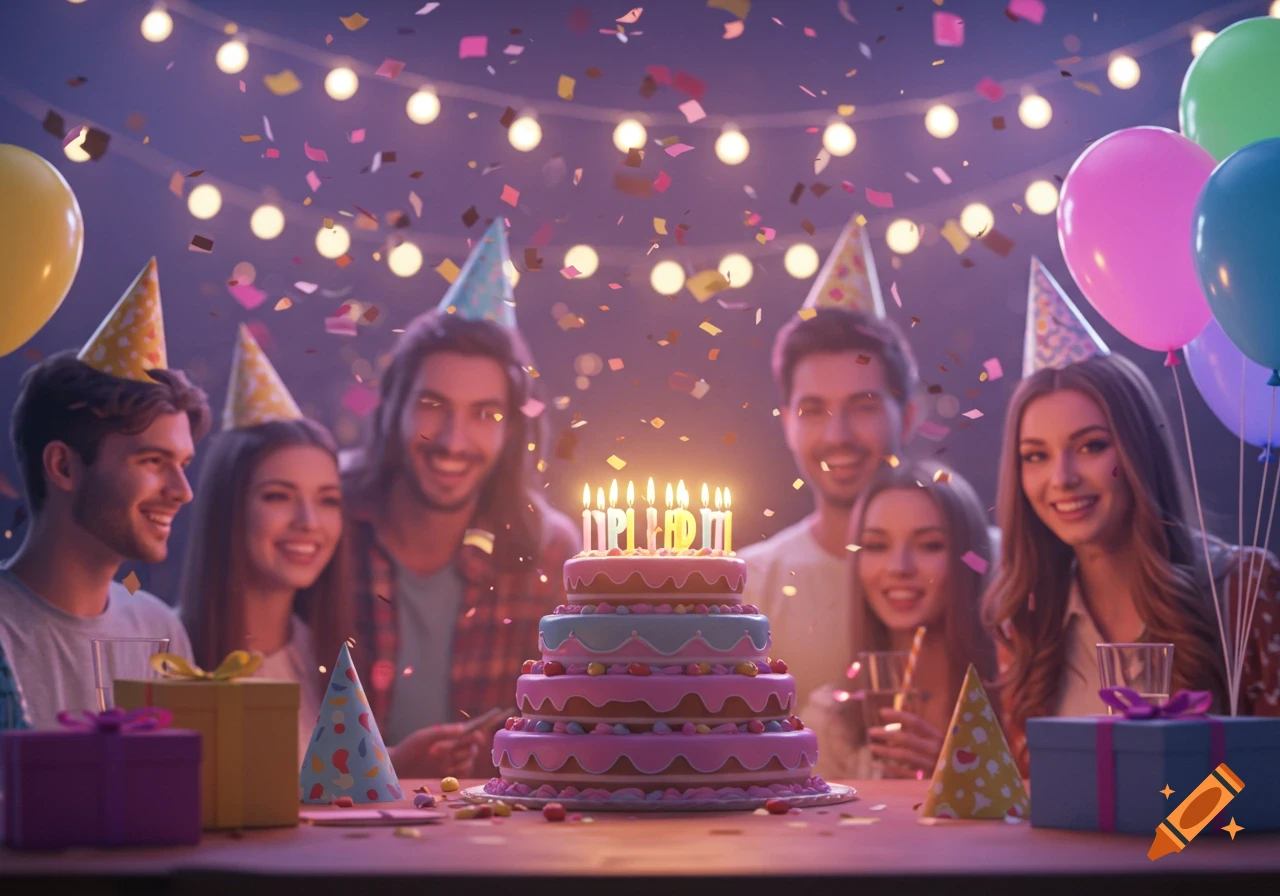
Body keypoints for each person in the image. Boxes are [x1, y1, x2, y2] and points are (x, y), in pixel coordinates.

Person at [342, 222, 580, 777]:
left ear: (513, 432)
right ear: (394, 407)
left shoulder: (546, 551)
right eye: (432, 404)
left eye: (486, 414)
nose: (453, 439)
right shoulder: (327, 525)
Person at [983, 353, 1280, 771]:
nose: (1062, 477)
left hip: (1208, 838)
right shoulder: (1026, 618)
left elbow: (1267, 774)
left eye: (1091, 446)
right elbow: (1032, 797)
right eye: (1036, 456)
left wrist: (1171, 834)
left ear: (1140, 450)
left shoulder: (1244, 589)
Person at [0, 260, 207, 727]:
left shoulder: (160, 632)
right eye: (153, 462)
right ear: (64, 466)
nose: (182, 491)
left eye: (184, 464)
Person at [178, 325, 352, 761]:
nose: (309, 522)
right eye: (278, 496)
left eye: (327, 500)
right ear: (227, 506)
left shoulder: (328, 657)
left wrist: (398, 764)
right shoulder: (170, 652)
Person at [740, 306, 919, 709]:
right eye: (813, 411)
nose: (838, 435)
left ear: (907, 417)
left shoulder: (991, 567)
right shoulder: (746, 589)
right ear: (787, 424)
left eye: (864, 406)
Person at [803, 461, 997, 780]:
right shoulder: (830, 718)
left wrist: (964, 779)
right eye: (877, 546)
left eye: (930, 545)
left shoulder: (1020, 696)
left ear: (970, 559)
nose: (899, 567)